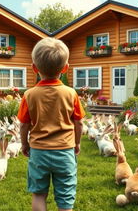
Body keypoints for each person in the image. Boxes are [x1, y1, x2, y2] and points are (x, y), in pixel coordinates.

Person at [17, 37, 85, 211]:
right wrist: (76, 143)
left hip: (39, 152)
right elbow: (79, 123)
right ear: (65, 68)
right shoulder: (71, 94)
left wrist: (24, 144)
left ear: (34, 68)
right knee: (65, 197)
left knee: (39, 194)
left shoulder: (29, 95)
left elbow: (24, 125)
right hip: (65, 151)